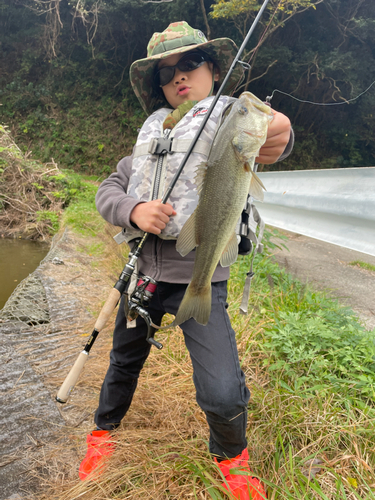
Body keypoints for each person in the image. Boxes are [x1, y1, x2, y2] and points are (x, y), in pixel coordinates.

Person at [79, 21, 293, 500]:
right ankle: (103, 430)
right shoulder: (151, 137)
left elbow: (275, 138)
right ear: (159, 84)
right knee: (121, 364)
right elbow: (108, 190)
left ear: (213, 69)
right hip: (143, 277)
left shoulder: (229, 117)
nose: (180, 76)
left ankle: (232, 457)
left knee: (221, 390)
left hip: (202, 278)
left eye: (191, 64)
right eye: (168, 71)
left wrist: (278, 129)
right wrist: (132, 209)